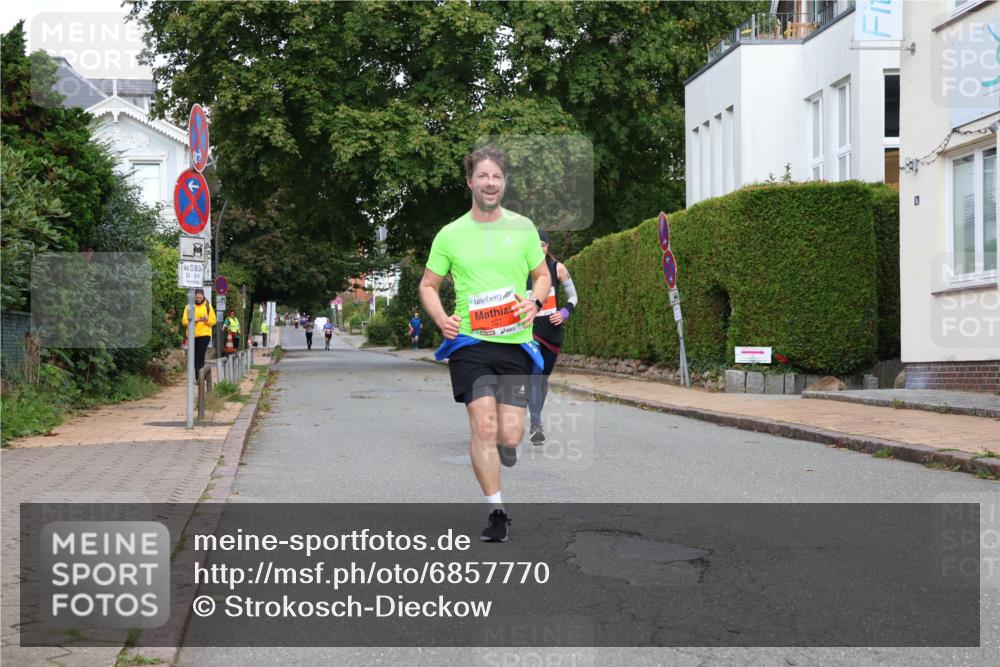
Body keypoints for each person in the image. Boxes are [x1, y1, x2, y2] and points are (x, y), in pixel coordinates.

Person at [419, 144, 551, 543]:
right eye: (483, 176)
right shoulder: (450, 234)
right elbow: (428, 285)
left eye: (496, 176)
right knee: (483, 425)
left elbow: (542, 276)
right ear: (470, 182)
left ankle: (505, 448)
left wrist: (535, 301)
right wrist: (442, 319)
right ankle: (497, 511)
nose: (490, 183)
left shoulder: (523, 228)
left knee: (510, 435)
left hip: (515, 344)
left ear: (503, 183)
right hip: (469, 344)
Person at [527, 230, 579, 444]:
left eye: (543, 244)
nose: (539, 248)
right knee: (535, 373)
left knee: (542, 378)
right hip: (530, 331)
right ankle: (536, 423)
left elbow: (573, 297)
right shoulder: (521, 269)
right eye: (535, 245)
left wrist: (564, 312)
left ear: (548, 246)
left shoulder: (558, 268)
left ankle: (535, 417)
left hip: (552, 331)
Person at [181, 288, 217, 374]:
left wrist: (206, 320)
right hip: (192, 335)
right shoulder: (189, 306)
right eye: (197, 298)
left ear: (203, 296)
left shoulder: (208, 306)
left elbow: (213, 321)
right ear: (194, 297)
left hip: (205, 335)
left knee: (200, 354)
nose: (199, 299)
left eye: (200, 297)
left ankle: (199, 375)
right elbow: (184, 322)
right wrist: (193, 321)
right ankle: (198, 375)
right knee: (193, 356)